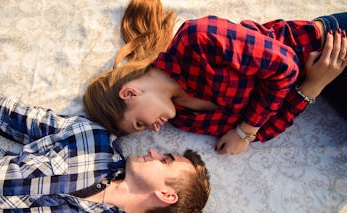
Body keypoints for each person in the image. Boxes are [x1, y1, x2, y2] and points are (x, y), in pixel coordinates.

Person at [83, 0, 347, 155]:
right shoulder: (185, 120)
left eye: (140, 123)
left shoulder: (196, 40)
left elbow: (285, 66)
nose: (154, 128)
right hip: (324, 81)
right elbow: (266, 130)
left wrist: (244, 130)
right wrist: (314, 85)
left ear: (130, 93)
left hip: (328, 45)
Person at [0, 92, 210, 213]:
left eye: (166, 160)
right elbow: (22, 118)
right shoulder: (95, 140)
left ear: (167, 195)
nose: (154, 152)